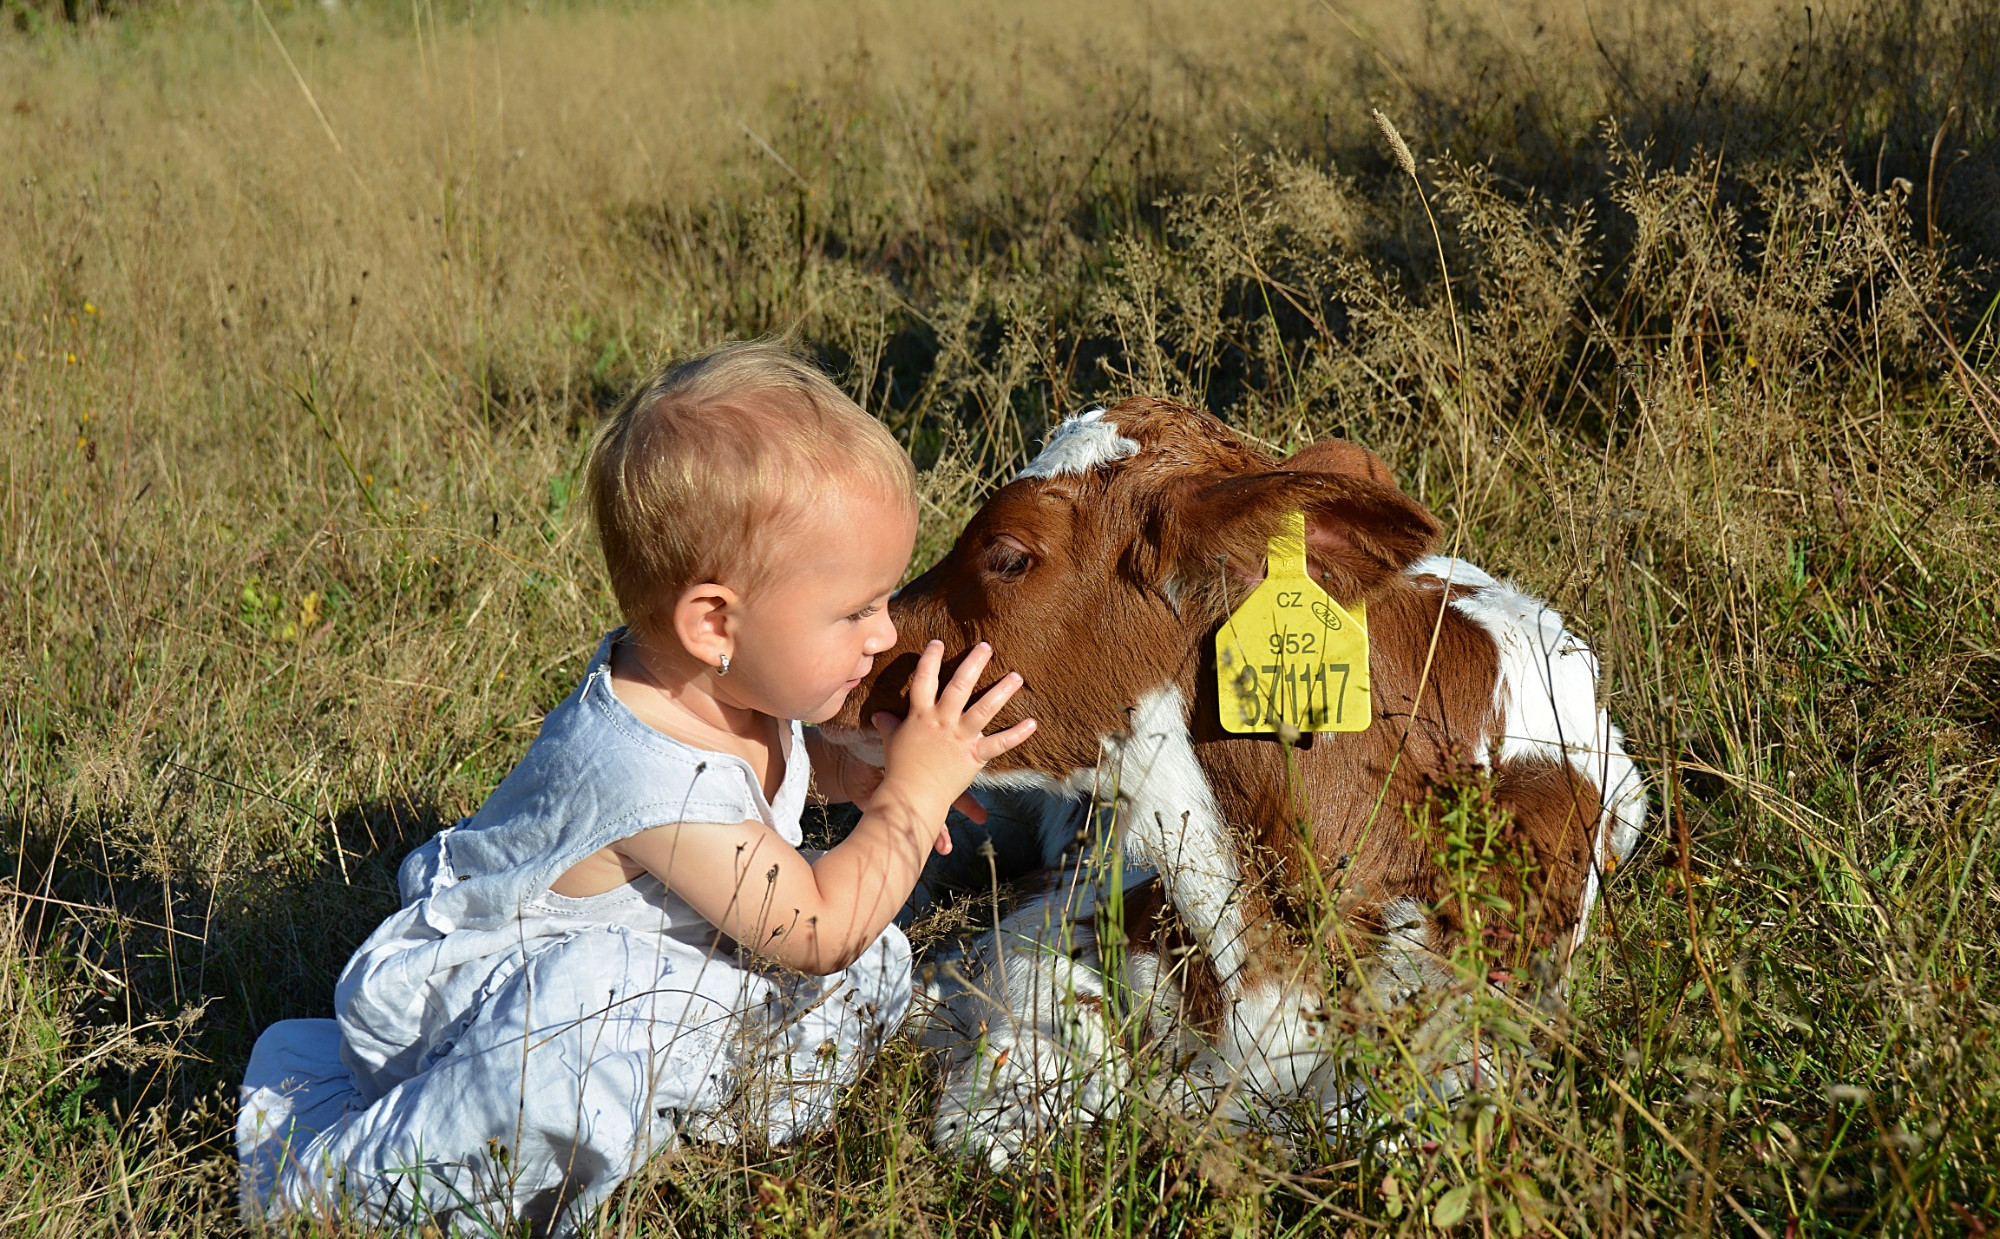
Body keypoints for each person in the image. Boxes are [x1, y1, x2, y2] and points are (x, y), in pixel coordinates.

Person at [236, 341, 1034, 1235]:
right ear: (715, 622)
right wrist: (909, 801)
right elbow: (815, 928)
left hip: (650, 963)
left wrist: (856, 773)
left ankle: (689, 1115)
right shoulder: (650, 770)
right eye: (855, 610)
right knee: (606, 1032)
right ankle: (344, 1189)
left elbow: (772, 781)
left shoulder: (720, 685)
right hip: (505, 1020)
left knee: (876, 954)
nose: (884, 634)